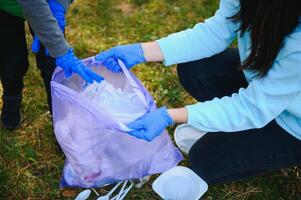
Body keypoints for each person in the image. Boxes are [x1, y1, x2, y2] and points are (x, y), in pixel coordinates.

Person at [94, 0, 301, 184]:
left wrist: (172, 115)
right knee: (194, 68)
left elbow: (252, 108)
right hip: (264, 86)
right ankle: (226, 125)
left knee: (203, 160)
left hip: (292, 124)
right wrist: (142, 51)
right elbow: (218, 29)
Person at [0, 0, 103, 130]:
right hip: (5, 7)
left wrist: (59, 4)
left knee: (52, 65)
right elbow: (32, 5)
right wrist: (60, 50)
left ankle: (62, 120)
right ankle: (11, 102)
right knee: (11, 61)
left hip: (48, 5)